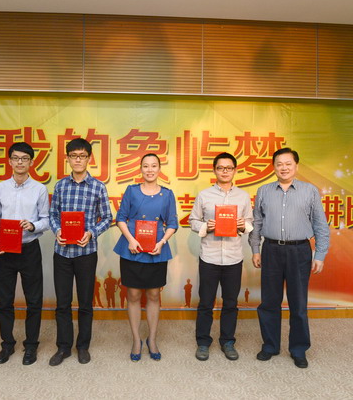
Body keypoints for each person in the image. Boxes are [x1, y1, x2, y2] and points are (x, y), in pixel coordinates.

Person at [250, 147, 330, 369]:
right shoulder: (264, 191)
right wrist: (255, 249)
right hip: (271, 250)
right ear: (274, 167)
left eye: (288, 164)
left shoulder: (310, 191)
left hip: (299, 251)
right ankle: (270, 346)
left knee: (298, 303)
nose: (283, 168)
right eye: (279, 164)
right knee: (269, 302)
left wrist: (320, 254)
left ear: (296, 166)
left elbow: (320, 224)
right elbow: (257, 222)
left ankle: (298, 349)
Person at [48, 138, 112, 366]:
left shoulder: (98, 187)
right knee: (62, 303)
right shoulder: (60, 186)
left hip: (86, 253)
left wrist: (91, 233)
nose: (78, 160)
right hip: (62, 252)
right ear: (67, 158)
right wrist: (57, 231)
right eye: (73, 156)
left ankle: (83, 346)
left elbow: (107, 218)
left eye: (82, 156)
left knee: (85, 302)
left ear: (89, 158)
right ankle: (63, 347)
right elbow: (52, 215)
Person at [0, 142, 50, 366]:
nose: (20, 162)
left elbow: (46, 220)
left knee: (34, 300)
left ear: (31, 162)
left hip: (29, 249)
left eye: (24, 158)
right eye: (16, 158)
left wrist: (32, 225)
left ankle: (31, 345)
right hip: (5, 251)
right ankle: (7, 344)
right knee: (5, 301)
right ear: (10, 161)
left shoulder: (39, 189)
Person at [114, 153, 178, 362]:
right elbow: (120, 218)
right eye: (146, 166)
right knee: (133, 295)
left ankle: (152, 339)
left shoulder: (167, 194)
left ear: (159, 169)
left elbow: (172, 223)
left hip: (155, 250)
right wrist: (131, 240)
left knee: (153, 295)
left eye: (153, 166)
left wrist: (162, 242)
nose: (150, 170)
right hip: (132, 248)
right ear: (140, 169)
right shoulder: (131, 191)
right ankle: (136, 340)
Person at [189, 152, 253, 361]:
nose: (225, 171)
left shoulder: (243, 196)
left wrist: (244, 225)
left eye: (229, 168)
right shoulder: (204, 195)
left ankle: (228, 341)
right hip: (209, 256)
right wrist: (206, 226)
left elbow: (251, 222)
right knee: (206, 302)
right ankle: (203, 342)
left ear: (235, 170)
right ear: (214, 170)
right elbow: (193, 221)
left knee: (231, 303)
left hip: (234, 258)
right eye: (220, 168)